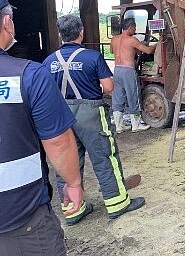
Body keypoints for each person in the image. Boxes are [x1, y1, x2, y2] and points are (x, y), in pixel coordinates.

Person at [0, 0, 84, 255]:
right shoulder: (28, 74)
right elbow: (58, 142)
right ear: (7, 22)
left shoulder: (48, 63)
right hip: (21, 221)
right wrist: (73, 183)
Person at [42, 15, 146, 220]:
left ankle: (73, 210)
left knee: (67, 161)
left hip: (61, 116)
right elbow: (108, 87)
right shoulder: (92, 57)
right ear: (81, 32)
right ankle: (117, 204)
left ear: (59, 34)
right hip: (91, 114)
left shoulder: (48, 61)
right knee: (105, 157)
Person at [110, 17, 155, 133]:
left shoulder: (114, 39)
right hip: (128, 71)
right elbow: (148, 51)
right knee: (133, 96)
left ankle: (119, 126)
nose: (135, 30)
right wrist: (158, 44)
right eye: (134, 28)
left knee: (118, 97)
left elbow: (112, 51)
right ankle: (136, 125)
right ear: (130, 27)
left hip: (117, 70)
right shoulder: (132, 40)